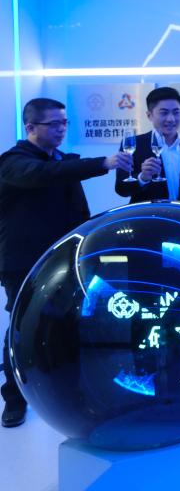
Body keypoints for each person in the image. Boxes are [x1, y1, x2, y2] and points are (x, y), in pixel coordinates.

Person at [0, 98, 132, 428]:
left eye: (64, 123)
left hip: (63, 261)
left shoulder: (63, 160)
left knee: (69, 324)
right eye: (53, 124)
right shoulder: (13, 162)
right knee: (23, 327)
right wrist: (104, 162)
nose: (61, 129)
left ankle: (69, 391)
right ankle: (14, 399)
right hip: (23, 263)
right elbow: (43, 175)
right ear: (30, 127)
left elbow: (77, 209)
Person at [113, 86, 180, 203]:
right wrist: (142, 177)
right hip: (149, 214)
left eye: (176, 112)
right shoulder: (134, 145)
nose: (171, 119)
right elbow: (121, 189)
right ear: (149, 115)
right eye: (164, 113)